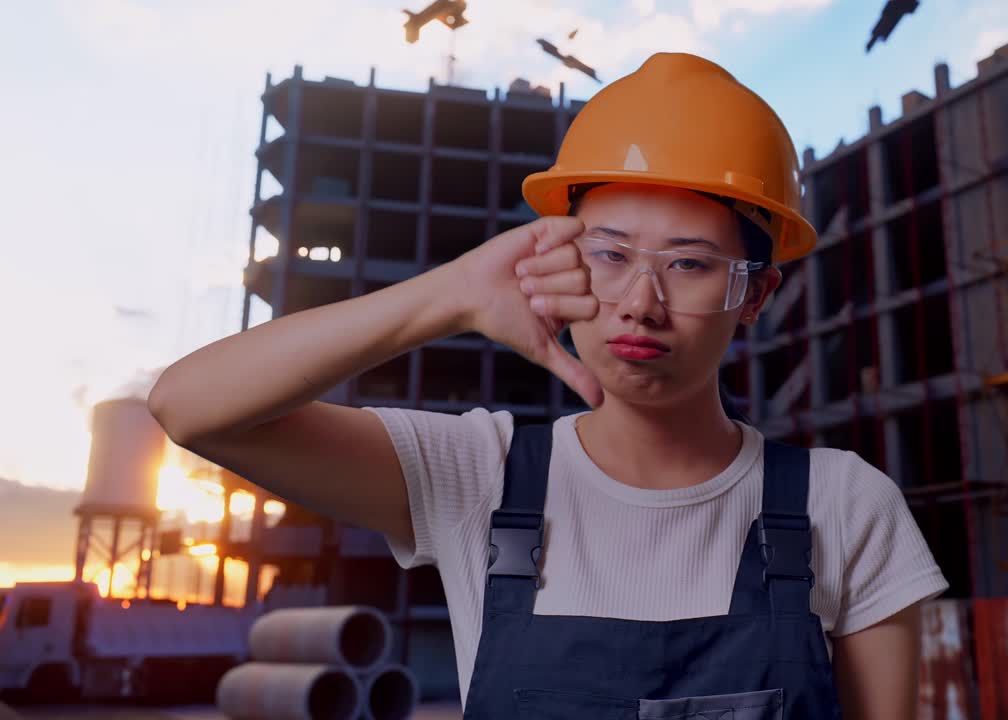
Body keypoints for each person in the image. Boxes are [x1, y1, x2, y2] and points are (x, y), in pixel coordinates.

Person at [149, 52, 947, 718]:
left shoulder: (842, 507)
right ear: (558, 255)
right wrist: (451, 294)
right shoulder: (476, 475)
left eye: (691, 264)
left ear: (756, 295)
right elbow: (190, 408)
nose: (642, 301)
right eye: (608, 253)